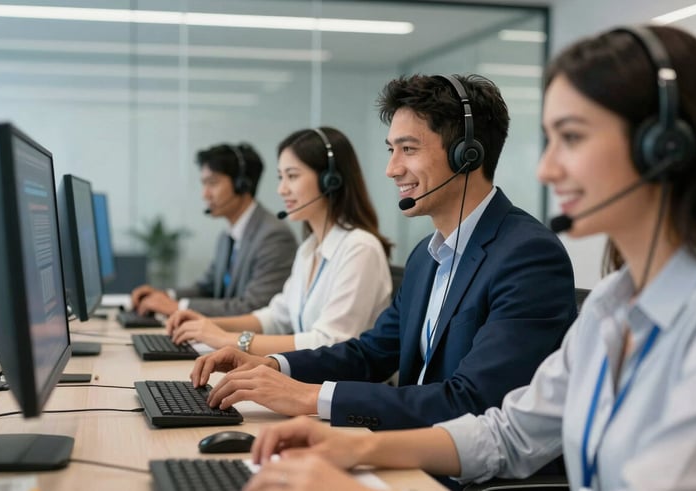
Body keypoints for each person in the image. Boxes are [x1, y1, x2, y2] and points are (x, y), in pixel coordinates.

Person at [245, 25, 696, 491]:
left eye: (572, 137)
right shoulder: (612, 304)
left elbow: (473, 400)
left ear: (666, 147)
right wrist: (354, 447)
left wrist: (329, 435)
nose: (546, 169)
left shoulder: (534, 256)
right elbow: (508, 432)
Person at [189, 74, 577, 432]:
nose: (391, 169)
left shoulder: (527, 256)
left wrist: (309, 397)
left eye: (408, 149)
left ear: (467, 155)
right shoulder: (427, 256)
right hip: (403, 446)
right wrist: (273, 365)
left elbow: (473, 400)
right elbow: (371, 352)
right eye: (392, 149)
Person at [164, 127, 393, 356]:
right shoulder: (309, 249)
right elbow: (276, 317)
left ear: (329, 180)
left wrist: (227, 339)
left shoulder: (360, 248)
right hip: (310, 380)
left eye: (292, 176)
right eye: (280, 177)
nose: (281, 190)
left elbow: (329, 341)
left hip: (343, 388)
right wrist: (209, 325)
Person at [130, 143, 297, 317]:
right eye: (204, 184)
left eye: (213, 183)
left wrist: (178, 307)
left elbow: (254, 307)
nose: (205, 194)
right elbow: (206, 288)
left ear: (242, 185)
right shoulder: (227, 237)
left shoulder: (274, 237)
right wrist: (165, 296)